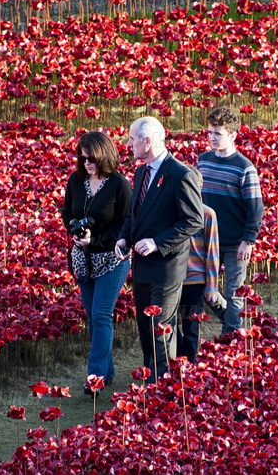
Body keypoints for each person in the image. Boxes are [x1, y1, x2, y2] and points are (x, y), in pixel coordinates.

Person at [115, 117, 202, 383]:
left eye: (132, 139)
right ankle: (151, 379)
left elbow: (193, 220)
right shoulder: (141, 172)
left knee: (160, 327)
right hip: (142, 266)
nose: (128, 144)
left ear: (147, 141)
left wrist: (158, 242)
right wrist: (123, 239)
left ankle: (163, 386)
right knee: (145, 326)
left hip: (166, 266)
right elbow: (134, 215)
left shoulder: (180, 174)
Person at [61, 131, 132, 395]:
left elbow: (126, 224)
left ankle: (95, 377)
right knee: (92, 318)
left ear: (104, 156)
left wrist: (96, 238)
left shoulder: (119, 185)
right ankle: (109, 371)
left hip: (113, 258)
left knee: (102, 315)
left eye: (91, 158)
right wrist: (75, 230)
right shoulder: (76, 180)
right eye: (82, 158)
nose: (86, 163)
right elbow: (67, 212)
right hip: (84, 258)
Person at [197, 107, 264, 336]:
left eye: (218, 133)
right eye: (210, 133)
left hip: (235, 240)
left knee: (234, 290)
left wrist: (248, 240)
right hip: (207, 240)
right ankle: (231, 322)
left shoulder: (245, 168)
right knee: (206, 289)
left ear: (233, 135)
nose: (212, 138)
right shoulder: (203, 161)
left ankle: (230, 336)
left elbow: (256, 209)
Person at [177, 168, 221, 363]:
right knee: (169, 324)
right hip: (173, 279)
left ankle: (188, 364)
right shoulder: (170, 213)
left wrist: (212, 286)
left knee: (190, 324)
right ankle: (176, 360)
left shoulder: (207, 215)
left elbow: (212, 252)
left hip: (195, 280)